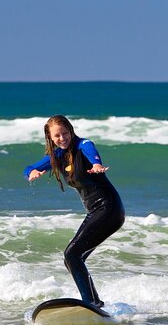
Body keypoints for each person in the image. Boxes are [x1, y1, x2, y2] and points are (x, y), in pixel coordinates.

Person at [23, 115, 125, 308]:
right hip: (95, 211)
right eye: (57, 136)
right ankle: (96, 303)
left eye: (65, 133)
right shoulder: (58, 155)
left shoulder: (83, 145)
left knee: (72, 255)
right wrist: (31, 173)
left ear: (71, 131)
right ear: (50, 138)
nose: (62, 138)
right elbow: (29, 167)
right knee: (73, 259)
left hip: (108, 208)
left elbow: (91, 151)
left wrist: (96, 164)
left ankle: (91, 303)